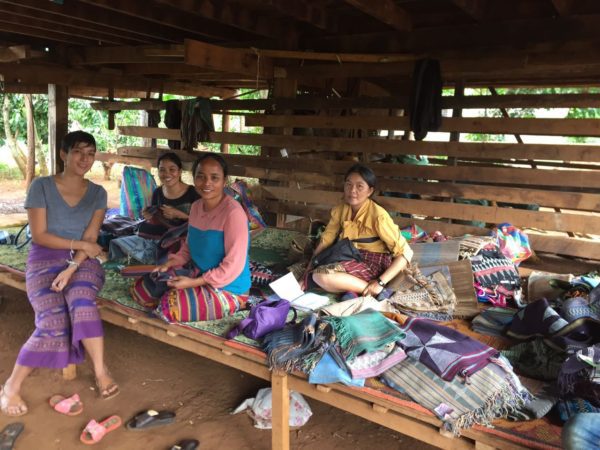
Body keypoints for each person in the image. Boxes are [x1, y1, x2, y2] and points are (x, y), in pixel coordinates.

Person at [0, 131, 118, 417]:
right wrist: (80, 246)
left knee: (80, 299)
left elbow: (91, 238)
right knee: (52, 321)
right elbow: (40, 235)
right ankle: (10, 387)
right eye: (78, 151)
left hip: (83, 263)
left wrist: (73, 266)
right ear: (64, 154)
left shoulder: (98, 194)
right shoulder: (41, 187)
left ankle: (101, 371)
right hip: (43, 260)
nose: (85, 159)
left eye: (90, 153)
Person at [133, 153, 251, 322]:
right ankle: (185, 292)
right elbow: (190, 246)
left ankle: (229, 302)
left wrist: (193, 283)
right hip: (199, 274)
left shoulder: (233, 214)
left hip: (228, 287)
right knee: (144, 290)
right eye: (201, 177)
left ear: (224, 181)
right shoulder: (196, 207)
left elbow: (233, 266)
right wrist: (170, 263)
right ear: (194, 178)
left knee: (170, 306)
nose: (207, 183)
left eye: (214, 178)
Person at [310, 163, 413, 298]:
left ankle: (374, 290)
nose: (352, 190)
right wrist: (310, 265)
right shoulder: (341, 209)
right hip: (349, 255)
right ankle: (355, 288)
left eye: (359, 186)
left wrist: (380, 282)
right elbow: (326, 240)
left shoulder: (378, 216)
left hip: (373, 262)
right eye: (348, 184)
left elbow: (406, 253)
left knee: (320, 277)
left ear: (370, 191)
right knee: (310, 273)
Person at [109, 152, 199, 264]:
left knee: (169, 255)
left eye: (172, 169)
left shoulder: (193, 193)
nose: (167, 174)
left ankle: (154, 260)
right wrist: (148, 215)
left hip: (184, 241)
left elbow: (203, 224)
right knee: (117, 244)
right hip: (158, 238)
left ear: (180, 172)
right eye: (162, 170)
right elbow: (154, 221)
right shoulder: (158, 192)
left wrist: (179, 215)